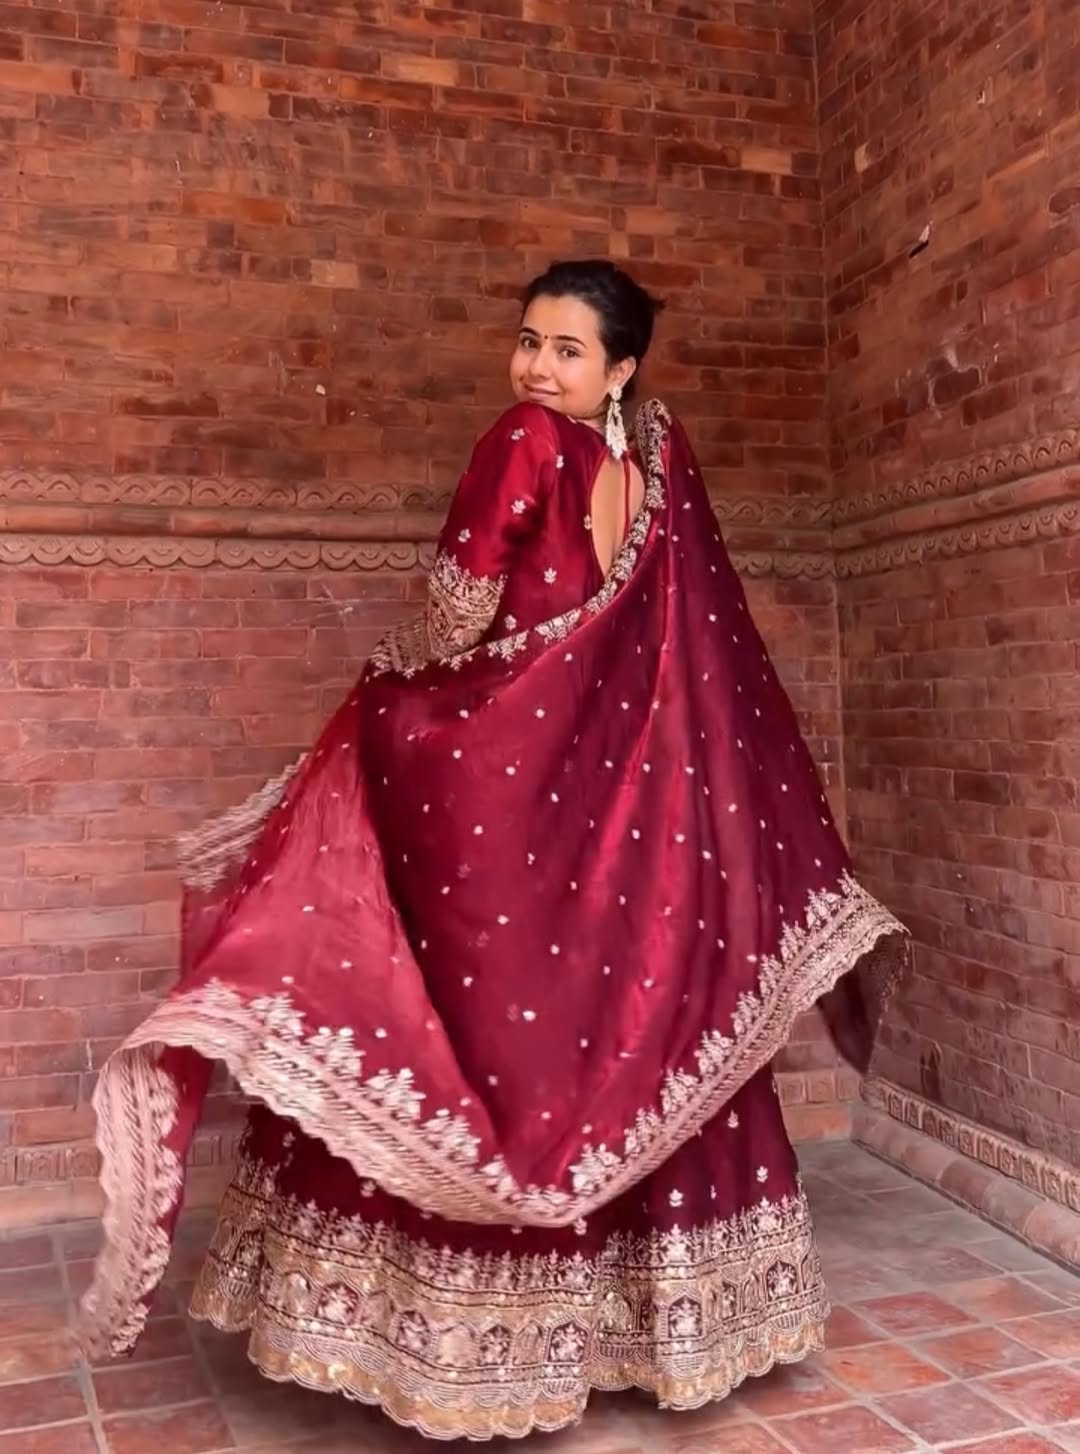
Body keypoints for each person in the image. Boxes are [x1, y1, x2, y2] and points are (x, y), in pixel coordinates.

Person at [81, 260, 906, 1440]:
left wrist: (390, 688)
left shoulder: (524, 442)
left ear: (620, 368)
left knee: (472, 1026)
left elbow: (456, 610)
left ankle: (460, 1331)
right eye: (529, 340)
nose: (536, 367)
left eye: (568, 349)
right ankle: (644, 1324)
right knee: (631, 1016)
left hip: (510, 792)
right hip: (626, 812)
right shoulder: (655, 475)